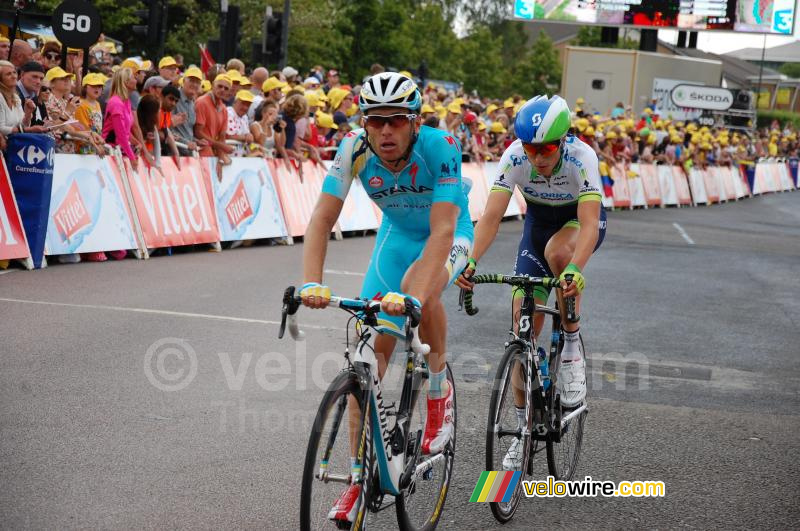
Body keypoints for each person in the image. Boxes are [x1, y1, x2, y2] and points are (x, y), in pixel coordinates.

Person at [301, 72, 472, 524]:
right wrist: (310, 283)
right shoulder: (353, 149)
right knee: (366, 361)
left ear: (415, 121)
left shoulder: (442, 147)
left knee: (424, 289)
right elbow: (321, 220)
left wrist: (411, 297)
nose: (385, 132)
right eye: (376, 122)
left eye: (396, 121)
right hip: (396, 238)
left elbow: (442, 232)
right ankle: (360, 479)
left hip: (447, 235)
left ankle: (439, 393)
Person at [456, 95, 606, 469]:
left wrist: (576, 268)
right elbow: (490, 217)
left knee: (559, 255)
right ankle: (524, 430)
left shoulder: (582, 157)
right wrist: (471, 260)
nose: (538, 157)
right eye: (530, 148)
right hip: (536, 226)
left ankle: (571, 344)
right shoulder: (514, 157)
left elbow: (589, 223)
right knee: (521, 324)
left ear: (565, 139)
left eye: (547, 148)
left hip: (576, 225)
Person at [103, 67, 152, 166]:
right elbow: (120, 134)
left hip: (119, 151)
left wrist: (136, 142)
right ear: (125, 82)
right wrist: (132, 157)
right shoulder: (116, 103)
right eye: (133, 77)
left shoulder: (126, 102)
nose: (136, 80)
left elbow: (126, 132)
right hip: (110, 151)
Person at [194, 74, 234, 164]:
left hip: (213, 152)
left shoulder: (223, 109)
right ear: (212, 85)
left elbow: (222, 136)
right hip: (200, 150)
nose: (222, 90)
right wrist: (221, 146)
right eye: (220, 86)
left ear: (229, 92)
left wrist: (220, 158)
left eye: (226, 88)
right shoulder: (202, 102)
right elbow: (198, 133)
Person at [0, 61, 32, 136]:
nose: (14, 76)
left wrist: (28, 113)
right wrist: (30, 129)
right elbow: (1, 128)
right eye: (8, 74)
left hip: (14, 143)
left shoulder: (16, 97)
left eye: (14, 72)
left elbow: (24, 126)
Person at [226, 90, 254, 156]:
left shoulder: (245, 117)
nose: (245, 107)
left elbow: (248, 136)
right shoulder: (228, 112)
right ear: (235, 102)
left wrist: (248, 137)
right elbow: (229, 136)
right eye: (243, 103)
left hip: (241, 155)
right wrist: (246, 137)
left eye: (248, 105)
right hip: (228, 154)